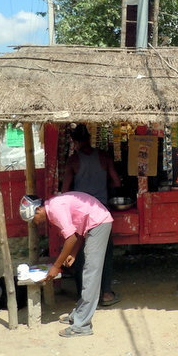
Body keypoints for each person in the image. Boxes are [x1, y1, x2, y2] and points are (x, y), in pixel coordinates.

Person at [19, 192, 113, 337]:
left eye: (34, 219)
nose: (36, 223)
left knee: (91, 274)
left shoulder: (55, 209)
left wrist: (56, 266)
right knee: (87, 273)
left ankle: (82, 326)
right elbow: (77, 233)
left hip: (99, 222)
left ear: (38, 209)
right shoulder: (53, 206)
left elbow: (70, 239)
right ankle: (79, 315)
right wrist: (73, 253)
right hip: (94, 222)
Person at [62, 124, 121, 306]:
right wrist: (106, 187)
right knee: (104, 252)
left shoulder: (73, 161)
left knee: (80, 253)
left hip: (80, 214)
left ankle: (82, 294)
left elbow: (64, 190)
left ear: (75, 141)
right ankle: (106, 294)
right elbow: (117, 182)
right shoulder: (103, 157)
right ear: (89, 137)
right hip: (101, 211)